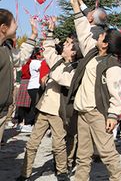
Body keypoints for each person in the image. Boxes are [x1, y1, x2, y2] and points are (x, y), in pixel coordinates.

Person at [50, 0, 121, 181]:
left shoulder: (113, 66)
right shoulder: (92, 52)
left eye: (102, 36)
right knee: (83, 156)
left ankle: (118, 178)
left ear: (106, 44)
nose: (98, 36)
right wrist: (76, 6)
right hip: (83, 111)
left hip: (99, 113)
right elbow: (83, 29)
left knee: (107, 154)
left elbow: (116, 93)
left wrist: (112, 115)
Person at [19, 17, 80, 181]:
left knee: (58, 144)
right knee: (32, 143)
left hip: (58, 112)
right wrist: (50, 30)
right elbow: (48, 48)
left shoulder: (75, 69)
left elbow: (64, 80)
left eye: (67, 44)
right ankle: (25, 172)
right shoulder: (58, 60)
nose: (64, 45)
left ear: (73, 52)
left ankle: (61, 171)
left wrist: (52, 73)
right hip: (44, 109)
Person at [1, 10, 35, 150]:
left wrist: (33, 35)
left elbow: (20, 57)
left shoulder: (6, 49)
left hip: (2, 110)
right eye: (14, 22)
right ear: (4, 28)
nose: (17, 25)